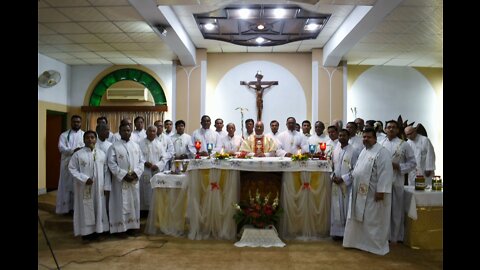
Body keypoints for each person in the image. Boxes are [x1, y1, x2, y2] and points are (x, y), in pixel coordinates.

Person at [342, 127, 394, 255]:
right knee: (359, 218)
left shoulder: (382, 152)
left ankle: (374, 246)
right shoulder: (364, 151)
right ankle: (358, 242)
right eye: (364, 137)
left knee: (373, 219)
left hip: (373, 193)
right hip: (359, 191)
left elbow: (386, 173)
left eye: (369, 137)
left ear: (375, 138)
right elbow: (357, 168)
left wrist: (381, 191)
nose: (366, 139)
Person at [68, 130, 110, 242]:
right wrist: (84, 179)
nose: (90, 139)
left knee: (99, 208)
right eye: (87, 138)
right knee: (85, 209)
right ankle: (86, 234)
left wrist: (106, 186)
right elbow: (72, 168)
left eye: (92, 137)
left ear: (95, 139)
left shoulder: (101, 154)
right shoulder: (78, 154)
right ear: (84, 140)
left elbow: (106, 171)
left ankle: (99, 231)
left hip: (99, 188)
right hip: (84, 188)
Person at [379, 120, 416, 243]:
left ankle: (395, 236)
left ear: (398, 130)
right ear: (385, 129)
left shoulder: (404, 144)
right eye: (389, 127)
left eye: (394, 127)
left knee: (396, 210)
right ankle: (383, 236)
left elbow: (412, 163)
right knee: (382, 209)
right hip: (381, 181)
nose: (391, 129)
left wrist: (399, 166)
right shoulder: (379, 143)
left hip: (397, 181)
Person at [107, 123, 145, 237]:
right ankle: (120, 229)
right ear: (119, 131)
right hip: (120, 182)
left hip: (133, 180)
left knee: (134, 203)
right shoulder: (114, 146)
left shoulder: (136, 146)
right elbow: (111, 163)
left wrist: (136, 173)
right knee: (120, 204)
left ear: (131, 131)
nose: (126, 132)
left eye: (128, 130)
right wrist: (123, 175)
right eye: (124, 130)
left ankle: (133, 227)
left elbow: (141, 161)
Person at [330, 129, 359, 240]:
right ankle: (336, 232)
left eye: (344, 135)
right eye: (340, 135)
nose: (341, 137)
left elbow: (356, 169)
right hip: (335, 184)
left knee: (346, 207)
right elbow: (331, 165)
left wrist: (343, 179)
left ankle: (346, 233)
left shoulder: (354, 151)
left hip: (346, 185)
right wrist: (332, 176)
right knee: (335, 207)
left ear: (348, 137)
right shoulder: (335, 150)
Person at [56, 115, 85, 214]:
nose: (76, 123)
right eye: (74, 122)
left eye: (78, 122)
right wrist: (73, 150)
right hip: (67, 164)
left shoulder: (84, 135)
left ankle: (77, 208)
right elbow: (61, 148)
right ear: (71, 122)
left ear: (81, 123)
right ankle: (66, 208)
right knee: (66, 186)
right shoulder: (64, 135)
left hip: (80, 165)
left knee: (77, 186)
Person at [138, 125, 167, 211]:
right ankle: (144, 210)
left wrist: (157, 165)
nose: (152, 133)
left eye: (154, 131)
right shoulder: (140, 143)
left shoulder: (159, 144)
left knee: (155, 190)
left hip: (156, 171)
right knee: (144, 190)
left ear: (156, 133)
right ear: (146, 132)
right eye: (150, 131)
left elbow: (164, 158)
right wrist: (144, 162)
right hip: (144, 170)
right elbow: (138, 157)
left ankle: (155, 210)